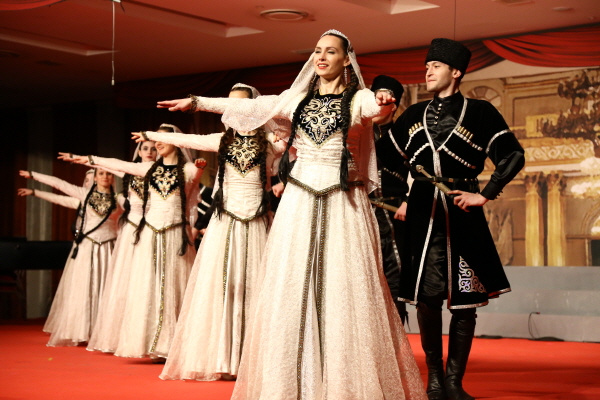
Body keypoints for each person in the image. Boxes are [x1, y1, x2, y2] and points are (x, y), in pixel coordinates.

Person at [157, 30, 426, 399]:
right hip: (299, 201)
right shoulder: (295, 99)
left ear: (346, 60)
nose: (322, 57)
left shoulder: (358, 98)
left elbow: (376, 109)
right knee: (292, 284)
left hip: (342, 200)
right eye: (317, 51)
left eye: (330, 51)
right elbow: (251, 107)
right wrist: (196, 102)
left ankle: (342, 382)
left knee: (343, 286)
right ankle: (292, 382)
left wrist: (382, 99)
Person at [377, 38, 525, 400]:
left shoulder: (481, 111)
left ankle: (455, 382)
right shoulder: (413, 115)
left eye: (436, 66)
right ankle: (434, 379)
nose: (427, 71)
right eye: (427, 65)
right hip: (423, 213)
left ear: (456, 72)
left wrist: (485, 194)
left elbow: (512, 155)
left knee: (465, 300)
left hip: (463, 213)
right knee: (427, 299)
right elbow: (381, 159)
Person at [133, 83, 285, 380]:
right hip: (225, 220)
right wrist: (152, 135)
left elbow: (296, 142)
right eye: (229, 104)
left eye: (241, 104)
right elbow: (190, 139)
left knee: (255, 285)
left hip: (256, 220)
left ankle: (253, 360)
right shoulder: (221, 140)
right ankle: (222, 357)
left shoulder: (271, 142)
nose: (233, 110)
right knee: (224, 285)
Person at [69, 124, 205, 360]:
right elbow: (118, 164)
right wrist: (90, 159)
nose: (157, 143)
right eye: (154, 139)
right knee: (149, 287)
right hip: (150, 233)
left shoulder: (190, 170)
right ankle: (150, 343)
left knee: (174, 286)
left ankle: (174, 345)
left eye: (161, 139)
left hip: (175, 233)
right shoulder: (148, 168)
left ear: (177, 142)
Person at [57, 141, 159, 354]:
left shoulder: (163, 172)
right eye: (145, 148)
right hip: (130, 232)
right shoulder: (129, 172)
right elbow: (110, 165)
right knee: (123, 281)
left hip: (155, 227)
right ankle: (119, 333)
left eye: (153, 148)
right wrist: (81, 159)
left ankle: (149, 333)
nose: (149, 152)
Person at [19, 168, 120, 346]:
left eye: (108, 174)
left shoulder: (120, 199)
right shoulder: (84, 195)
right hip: (87, 247)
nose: (105, 177)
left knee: (107, 288)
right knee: (85, 287)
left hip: (109, 248)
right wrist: (34, 179)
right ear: (95, 178)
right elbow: (59, 186)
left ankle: (106, 332)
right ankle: (83, 330)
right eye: (101, 174)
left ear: (113, 178)